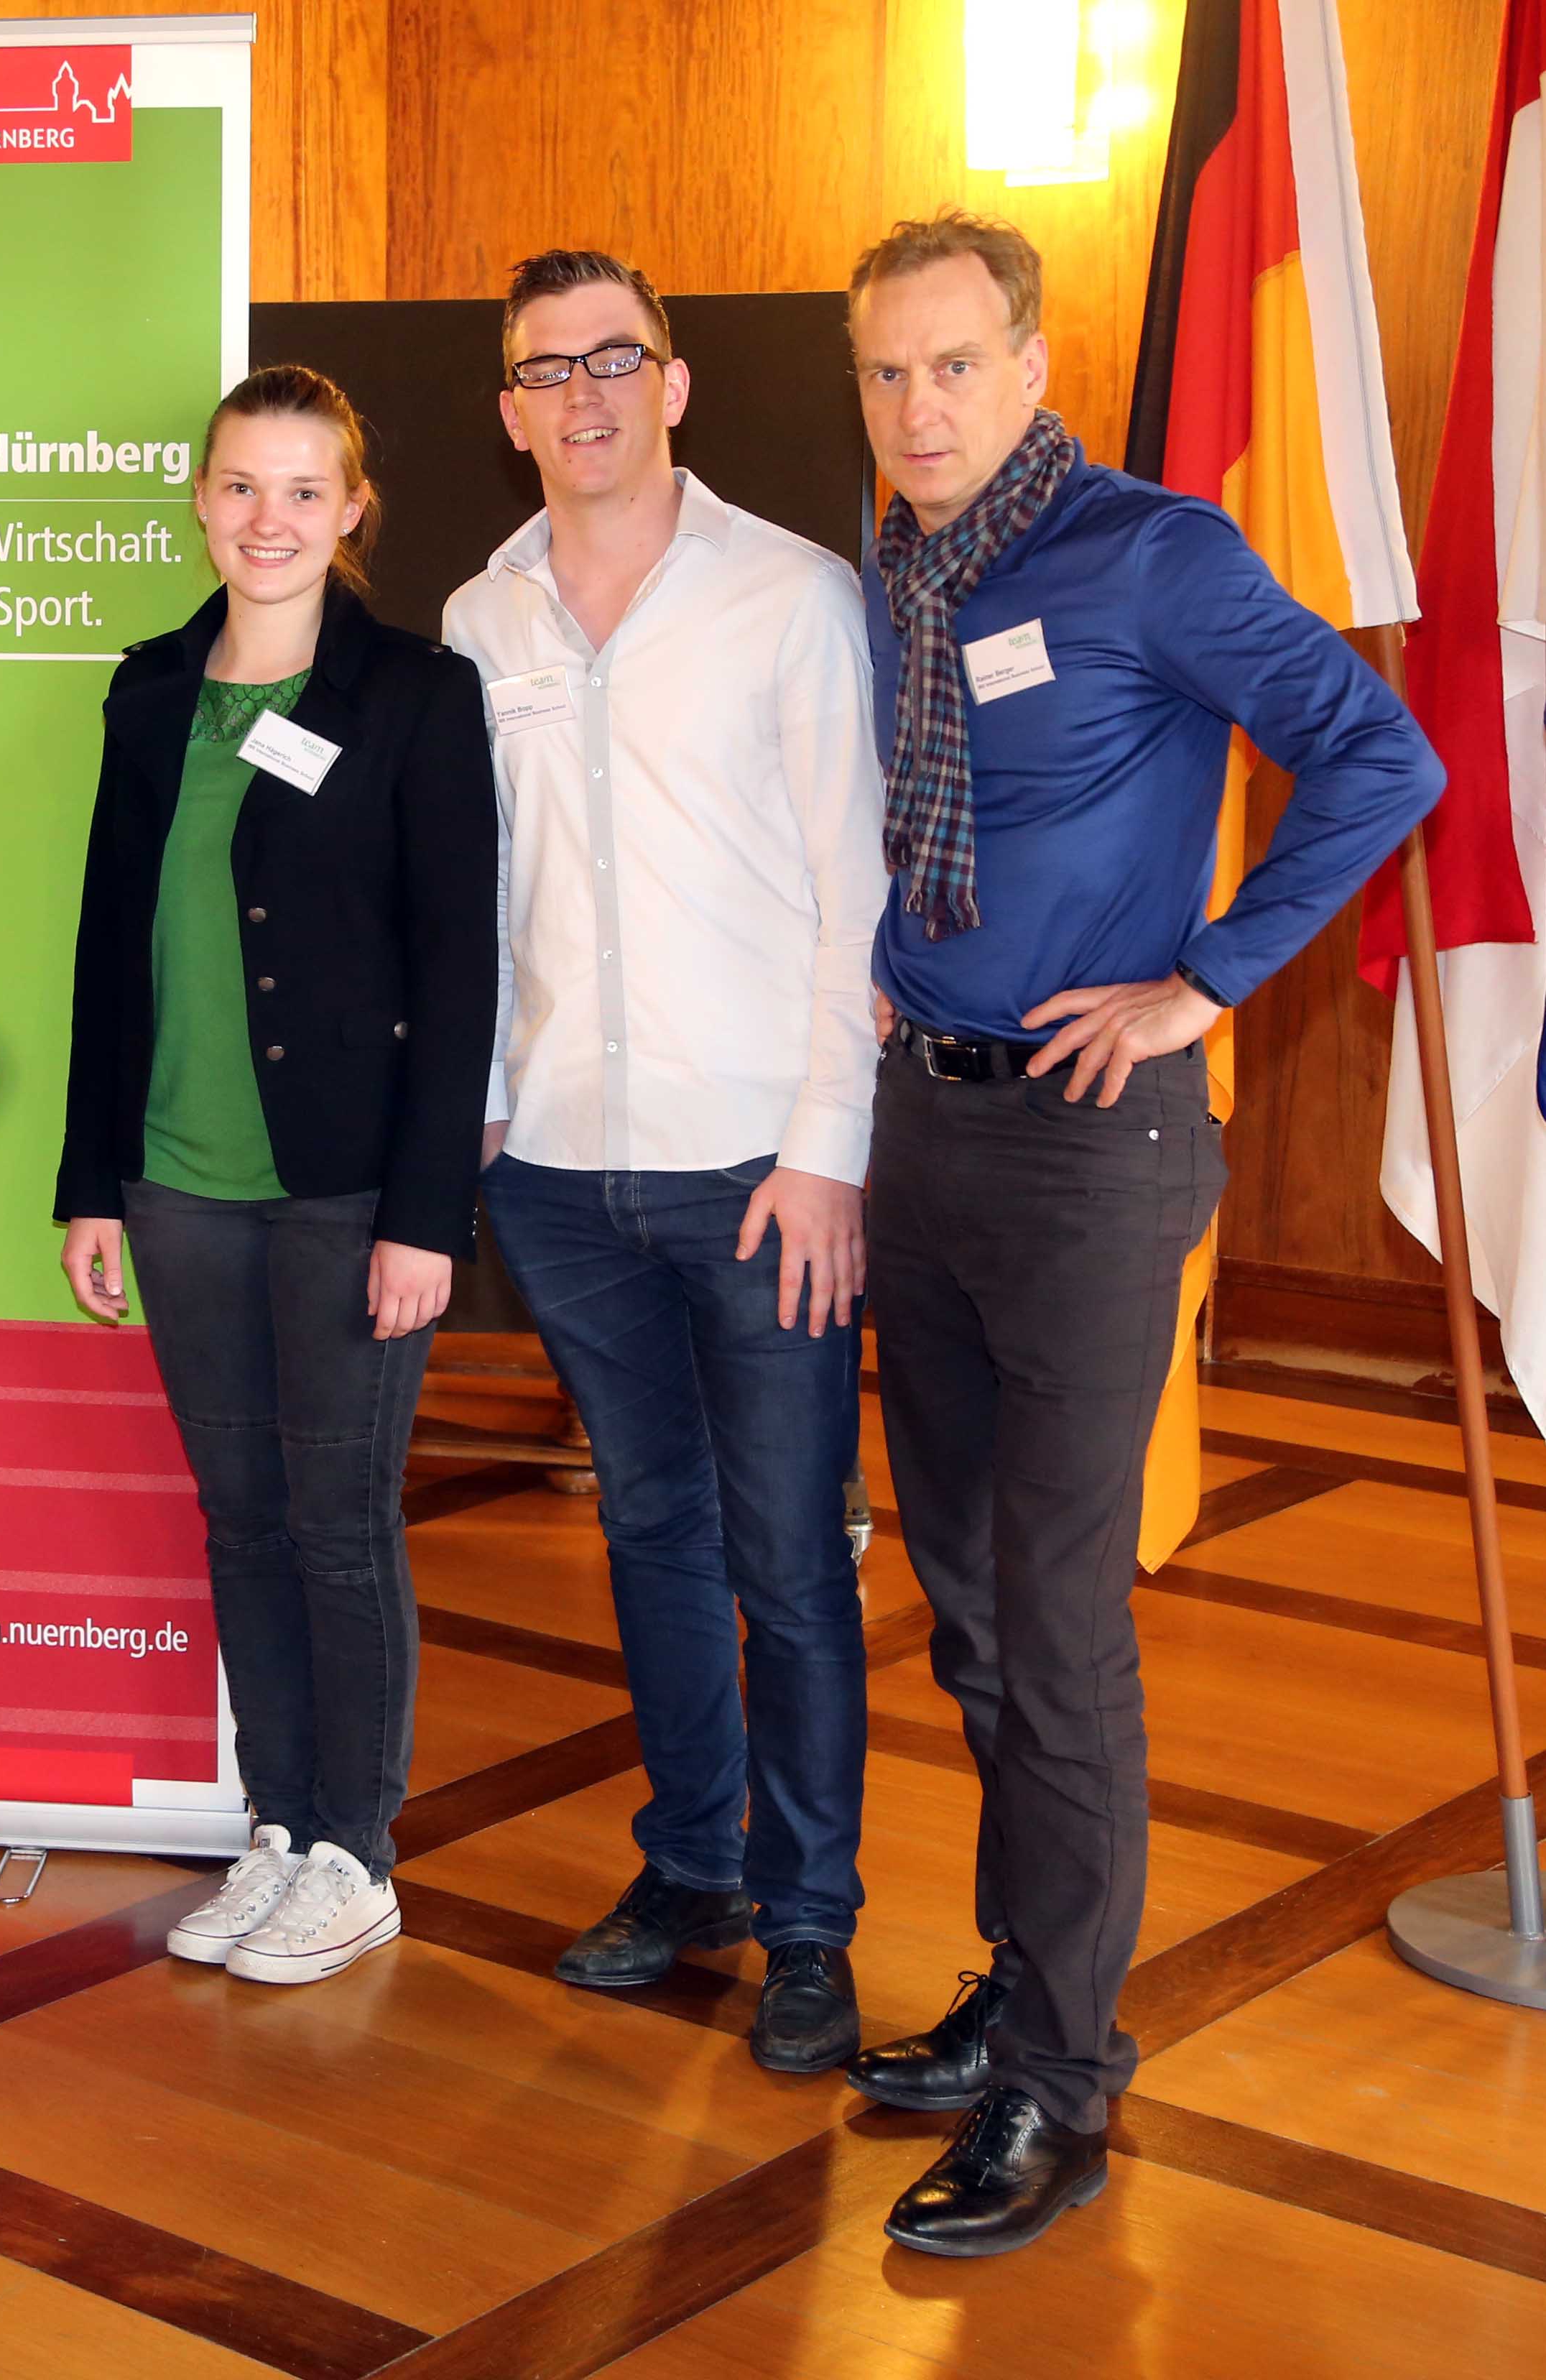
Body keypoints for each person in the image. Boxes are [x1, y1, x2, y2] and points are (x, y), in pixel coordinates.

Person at [842, 211, 1441, 2254]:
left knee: (1058, 1630)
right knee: (968, 1610)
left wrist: (1205, 976)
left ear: (1028, 365)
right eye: (883, 372)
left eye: (950, 364)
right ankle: (1024, 1979)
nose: (915, 406)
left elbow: (1379, 754)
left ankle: (1061, 2089)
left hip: (1090, 1150)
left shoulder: (1148, 554)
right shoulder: (891, 567)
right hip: (920, 1133)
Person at [443, 249, 887, 2074]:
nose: (585, 394)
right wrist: (477, 1108)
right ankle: (693, 1865)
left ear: (674, 385)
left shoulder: (793, 596)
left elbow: (856, 895)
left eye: (615, 358)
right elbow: (477, 894)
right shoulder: (479, 622)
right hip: (556, 1168)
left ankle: (809, 1921)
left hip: (760, 1172)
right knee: (647, 1531)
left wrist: (831, 1153)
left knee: (789, 1561)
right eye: (548, 369)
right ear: (510, 410)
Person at [56, 364, 497, 1988]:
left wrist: (423, 1214)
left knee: (336, 1522)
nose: (268, 518)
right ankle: (278, 1820)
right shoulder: (148, 691)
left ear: (351, 508)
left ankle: (353, 1853)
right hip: (176, 1182)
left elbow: (458, 966)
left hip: (341, 1189)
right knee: (240, 1519)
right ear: (200, 499)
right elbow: (107, 945)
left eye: (303, 490)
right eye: (241, 484)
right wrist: (89, 1178)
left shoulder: (414, 694)